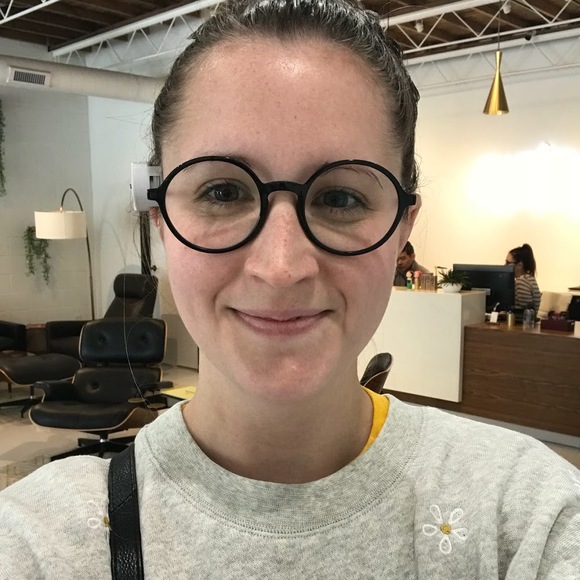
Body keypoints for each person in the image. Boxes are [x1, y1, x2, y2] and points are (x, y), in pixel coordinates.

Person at [1, 1, 578, 578]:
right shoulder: (41, 540)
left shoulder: (528, 517)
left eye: (340, 198)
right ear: (161, 222)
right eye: (223, 193)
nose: (281, 267)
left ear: (403, 227)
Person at [506, 243, 542, 313]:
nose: (505, 265)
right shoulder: (529, 279)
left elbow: (526, 311)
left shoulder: (521, 282)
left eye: (508, 262)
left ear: (520, 265)